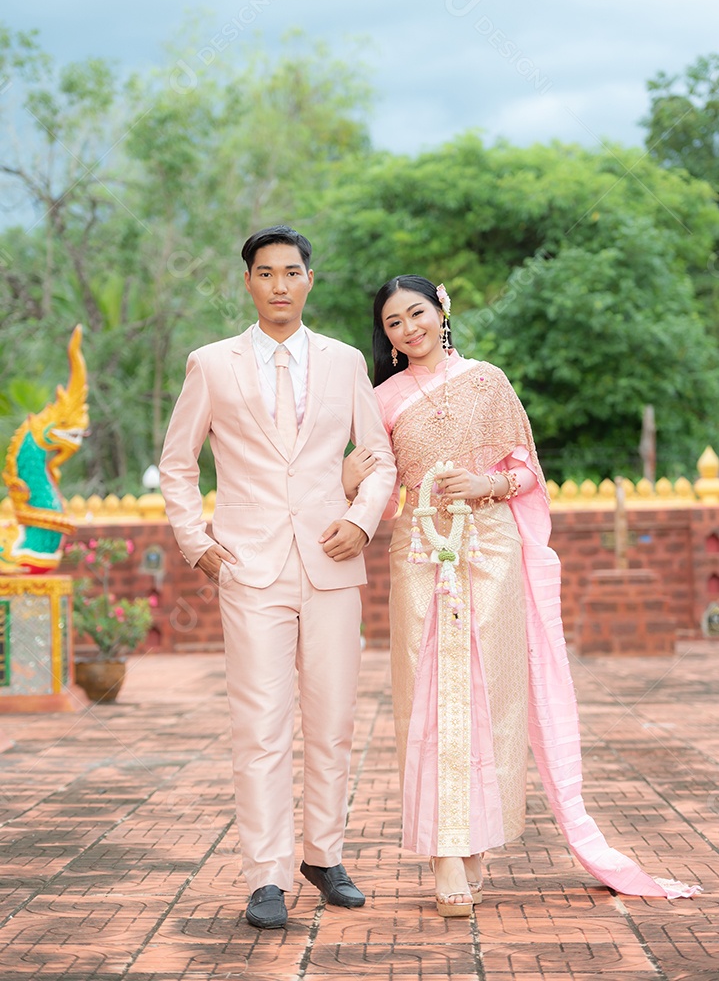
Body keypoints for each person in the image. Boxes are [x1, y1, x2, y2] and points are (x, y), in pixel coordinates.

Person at [350, 273, 700, 916]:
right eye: (393, 322)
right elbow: (364, 472)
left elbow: (525, 471)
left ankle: (476, 838)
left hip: (490, 553)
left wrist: (482, 485)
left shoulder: (488, 380)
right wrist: (349, 468)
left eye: (417, 313)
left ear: (441, 312)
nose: (408, 329)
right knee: (424, 695)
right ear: (387, 335)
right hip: (420, 553)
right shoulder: (381, 399)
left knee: (493, 693)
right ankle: (445, 852)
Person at [159, 225, 396, 929]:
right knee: (259, 725)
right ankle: (266, 874)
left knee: (332, 723)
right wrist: (193, 539)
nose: (280, 285)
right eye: (265, 274)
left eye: (291, 272)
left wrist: (360, 519)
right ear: (249, 283)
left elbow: (377, 457)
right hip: (247, 564)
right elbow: (177, 464)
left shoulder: (346, 361)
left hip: (332, 559)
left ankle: (324, 856)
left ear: (309, 280)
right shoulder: (211, 364)